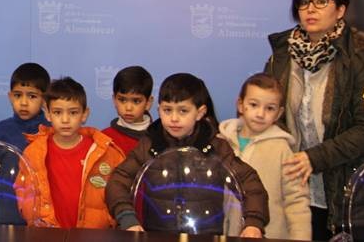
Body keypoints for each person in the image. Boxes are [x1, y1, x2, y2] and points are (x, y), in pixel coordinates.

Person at [265, 0, 364, 239]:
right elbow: (270, 113)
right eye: (304, 2)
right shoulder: (281, 57)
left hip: (346, 187)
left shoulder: (362, 58)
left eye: (321, 1)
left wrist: (315, 158)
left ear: (341, 9)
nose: (311, 9)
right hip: (296, 185)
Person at [105, 73, 269, 238]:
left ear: (200, 112)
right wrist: (127, 218)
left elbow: (250, 182)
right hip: (156, 234)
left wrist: (253, 223)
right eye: (167, 110)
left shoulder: (216, 147)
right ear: (158, 109)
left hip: (207, 236)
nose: (174, 118)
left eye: (183, 111)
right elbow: (118, 180)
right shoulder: (149, 145)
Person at [15, 77, 124, 228]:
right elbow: (22, 190)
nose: (65, 119)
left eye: (73, 113)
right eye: (58, 112)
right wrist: (33, 218)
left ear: (84, 114)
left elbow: (120, 192)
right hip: (47, 235)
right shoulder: (33, 152)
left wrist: (107, 220)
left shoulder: (105, 152)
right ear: (47, 114)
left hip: (91, 236)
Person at [218, 73, 311, 240]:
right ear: (240, 105)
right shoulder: (222, 143)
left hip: (270, 235)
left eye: (270, 108)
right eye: (253, 105)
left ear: (278, 113)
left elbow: (296, 203)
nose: (260, 114)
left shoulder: (282, 150)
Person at [0, 62, 50, 150]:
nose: (24, 103)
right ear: (10, 97)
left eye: (32, 96)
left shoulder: (52, 131)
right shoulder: (0, 130)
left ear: (44, 100)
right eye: (18, 95)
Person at [101, 66, 154, 154]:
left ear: (148, 103)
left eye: (136, 101)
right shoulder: (105, 138)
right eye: (122, 100)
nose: (128, 108)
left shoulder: (160, 137)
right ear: (114, 100)